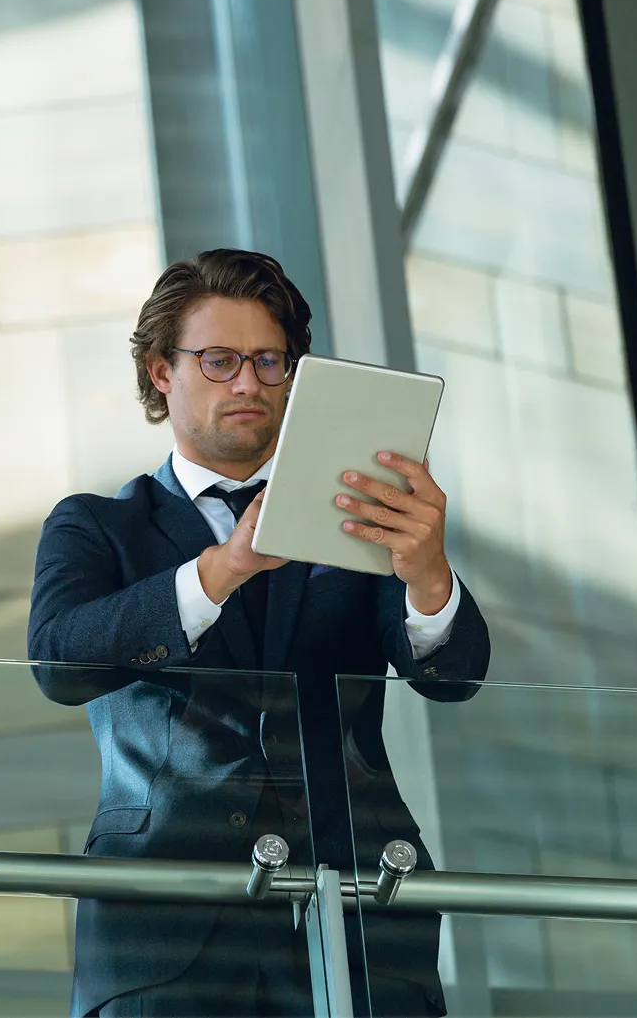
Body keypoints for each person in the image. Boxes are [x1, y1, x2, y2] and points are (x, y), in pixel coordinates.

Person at [29, 249, 490, 1017]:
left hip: (357, 910)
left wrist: (427, 572)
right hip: (166, 926)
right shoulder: (96, 526)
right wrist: (218, 572)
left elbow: (454, 675)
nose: (248, 382)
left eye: (269, 361)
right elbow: (58, 659)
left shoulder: (360, 517)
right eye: (218, 359)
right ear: (160, 372)